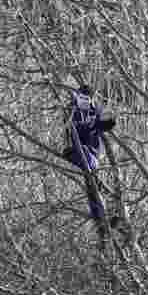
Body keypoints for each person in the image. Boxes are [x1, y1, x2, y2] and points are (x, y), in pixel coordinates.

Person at [62, 86, 119, 243]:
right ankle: (106, 214)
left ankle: (102, 220)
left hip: (92, 153)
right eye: (82, 99)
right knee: (92, 175)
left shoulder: (96, 109)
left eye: (88, 100)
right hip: (75, 150)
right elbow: (71, 130)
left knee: (91, 181)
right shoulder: (71, 110)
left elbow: (108, 122)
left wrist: (108, 118)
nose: (84, 102)